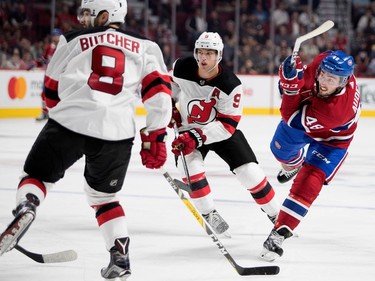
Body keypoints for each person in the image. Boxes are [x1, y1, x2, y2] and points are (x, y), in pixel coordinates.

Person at [0, 0, 172, 280]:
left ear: (105, 15)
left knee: (36, 176)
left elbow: (50, 89)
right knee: (104, 197)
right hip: (118, 133)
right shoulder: (147, 46)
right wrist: (155, 135)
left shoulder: (71, 39)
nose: (83, 19)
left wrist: (61, 116)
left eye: (89, 14)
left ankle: (28, 206)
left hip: (71, 122)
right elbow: (160, 97)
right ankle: (120, 257)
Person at [169, 32, 280, 237]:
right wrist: (169, 107)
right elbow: (166, 85)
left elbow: (228, 125)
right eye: (200, 52)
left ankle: (278, 218)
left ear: (219, 55)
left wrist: (197, 136)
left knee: (250, 173)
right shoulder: (181, 67)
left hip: (218, 131)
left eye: (209, 53)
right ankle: (209, 213)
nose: (203, 58)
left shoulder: (231, 84)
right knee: (190, 173)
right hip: (188, 130)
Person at [260, 50, 361, 261]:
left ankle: (279, 232)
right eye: (323, 74)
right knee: (278, 149)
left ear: (343, 82)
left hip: (332, 141)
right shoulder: (324, 62)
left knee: (309, 181)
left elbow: (290, 116)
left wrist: (289, 88)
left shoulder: (337, 110)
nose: (324, 81)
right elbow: (305, 83)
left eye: (331, 79)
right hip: (308, 119)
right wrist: (291, 75)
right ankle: (293, 164)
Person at [35, 28, 62, 121]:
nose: (55, 37)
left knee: (58, 94)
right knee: (43, 93)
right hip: (48, 74)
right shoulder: (49, 47)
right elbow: (44, 58)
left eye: (56, 35)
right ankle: (44, 112)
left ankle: (56, 113)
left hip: (59, 75)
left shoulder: (62, 46)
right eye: (53, 35)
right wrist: (38, 62)